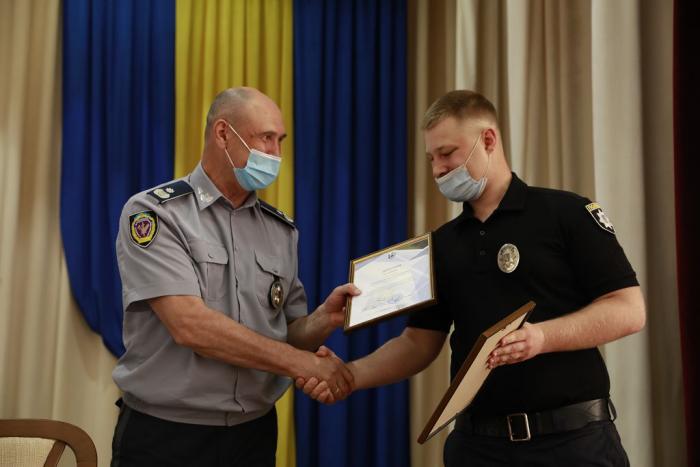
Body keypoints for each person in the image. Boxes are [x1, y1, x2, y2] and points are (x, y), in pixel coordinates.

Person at [298, 90, 645, 466]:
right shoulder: (439, 246)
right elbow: (418, 343)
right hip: (477, 447)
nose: (438, 170)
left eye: (447, 153)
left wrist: (542, 338)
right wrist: (350, 375)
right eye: (431, 159)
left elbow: (628, 310)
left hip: (573, 442)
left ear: (489, 140)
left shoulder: (567, 212)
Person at [110, 87, 358, 467]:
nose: (276, 154)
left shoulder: (280, 231)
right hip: (167, 435)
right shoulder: (156, 214)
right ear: (223, 134)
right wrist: (304, 365)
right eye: (266, 138)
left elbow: (286, 334)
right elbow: (191, 327)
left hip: (253, 434)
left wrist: (324, 318)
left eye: (280, 141)